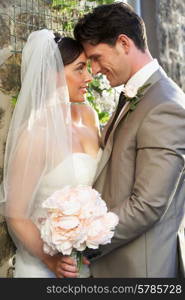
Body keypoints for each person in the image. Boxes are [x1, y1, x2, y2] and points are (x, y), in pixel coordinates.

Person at [73, 2, 185, 277]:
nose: (95, 70)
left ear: (124, 43)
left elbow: (148, 204)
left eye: (97, 57)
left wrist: (81, 241)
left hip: (139, 270)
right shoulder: (135, 95)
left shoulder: (165, 106)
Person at [2, 29, 101, 278]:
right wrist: (51, 260)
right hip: (44, 269)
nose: (89, 76)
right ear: (51, 74)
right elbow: (15, 214)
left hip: (85, 265)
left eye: (88, 67)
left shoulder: (89, 116)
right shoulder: (36, 134)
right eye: (79, 68)